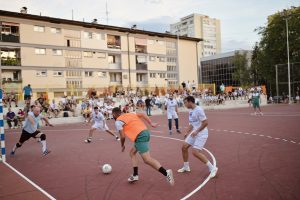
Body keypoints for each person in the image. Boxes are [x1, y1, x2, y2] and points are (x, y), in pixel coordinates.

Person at [112, 107, 174, 185]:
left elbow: (123, 136)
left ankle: (166, 173)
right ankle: (135, 175)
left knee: (147, 160)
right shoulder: (130, 114)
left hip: (140, 136)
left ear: (114, 114)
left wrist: (122, 145)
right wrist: (151, 123)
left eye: (112, 115)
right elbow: (142, 114)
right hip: (145, 132)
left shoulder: (118, 122)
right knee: (132, 153)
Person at [177, 96, 218, 178]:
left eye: (185, 102)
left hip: (202, 133)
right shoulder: (191, 111)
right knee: (184, 147)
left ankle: (213, 168)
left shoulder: (199, 110)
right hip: (194, 132)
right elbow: (192, 123)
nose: (184, 104)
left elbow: (206, 123)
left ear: (190, 102)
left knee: (195, 152)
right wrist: (187, 132)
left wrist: (197, 131)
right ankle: (186, 167)